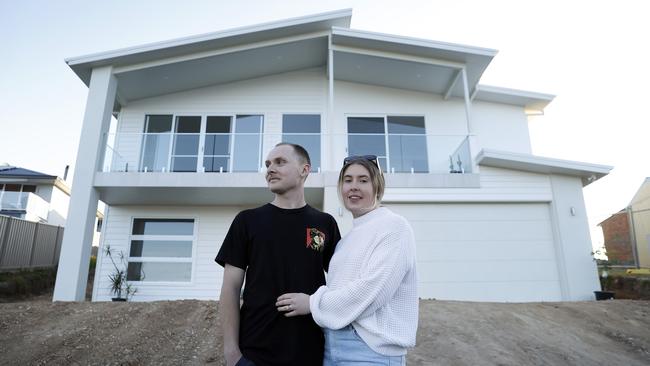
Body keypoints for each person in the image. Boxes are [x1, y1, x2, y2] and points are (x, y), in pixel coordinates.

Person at [276, 155, 418, 366]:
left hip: (371, 352)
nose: (354, 187)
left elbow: (372, 291)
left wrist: (312, 303)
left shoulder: (393, 226)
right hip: (332, 347)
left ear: (377, 186)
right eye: (348, 180)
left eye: (363, 180)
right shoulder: (346, 241)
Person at [215, 143, 341, 366]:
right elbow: (230, 289)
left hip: (310, 353)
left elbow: (342, 283)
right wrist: (232, 354)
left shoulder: (324, 224)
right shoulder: (247, 221)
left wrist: (314, 303)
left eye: (280, 162)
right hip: (254, 353)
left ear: (304, 170)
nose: (270, 169)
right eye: (268, 164)